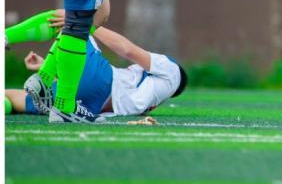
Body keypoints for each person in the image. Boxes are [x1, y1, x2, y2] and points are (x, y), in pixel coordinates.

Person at [5, 9, 187, 118]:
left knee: (68, 17)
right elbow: (83, 82)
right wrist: (47, 64)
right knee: (12, 98)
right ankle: (45, 73)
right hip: (87, 107)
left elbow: (127, 50)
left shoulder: (173, 71)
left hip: (104, 83)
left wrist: (85, 24)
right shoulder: (151, 99)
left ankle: (6, 36)